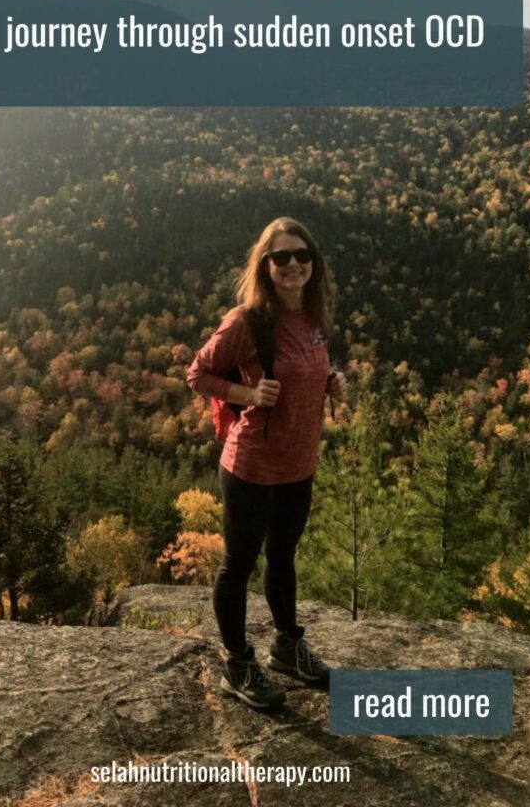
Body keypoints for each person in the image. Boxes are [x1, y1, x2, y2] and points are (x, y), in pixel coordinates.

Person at [186, 216, 346, 710]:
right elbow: (198, 374)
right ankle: (238, 663)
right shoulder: (247, 321)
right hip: (252, 464)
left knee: (283, 558)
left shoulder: (314, 319)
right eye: (281, 257)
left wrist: (328, 383)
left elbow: (304, 372)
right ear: (265, 264)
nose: (293, 264)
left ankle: (286, 646)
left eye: (302, 255)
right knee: (238, 565)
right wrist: (248, 392)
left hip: (299, 464)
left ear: (314, 263)